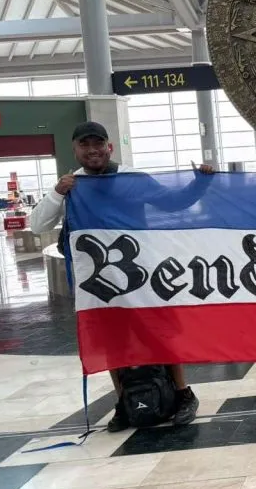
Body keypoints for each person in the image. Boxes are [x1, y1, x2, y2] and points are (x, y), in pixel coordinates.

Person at [31, 121, 215, 429]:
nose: (92, 150)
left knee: (159, 334)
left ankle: (183, 395)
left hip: (142, 273)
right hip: (97, 281)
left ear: (109, 147)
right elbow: (37, 225)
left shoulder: (132, 178)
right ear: (75, 150)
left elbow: (173, 203)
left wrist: (201, 182)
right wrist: (56, 193)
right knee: (111, 341)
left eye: (98, 144)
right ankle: (124, 403)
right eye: (85, 145)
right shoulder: (70, 185)